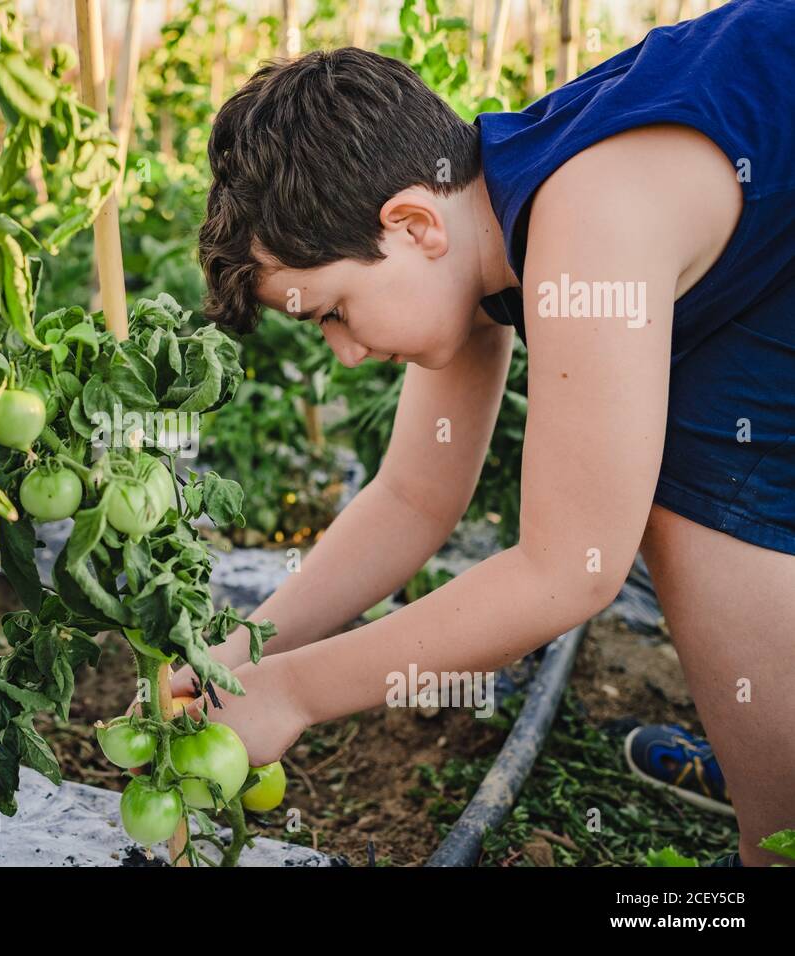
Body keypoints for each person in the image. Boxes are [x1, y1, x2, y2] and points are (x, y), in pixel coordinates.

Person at [172, 1, 794, 866]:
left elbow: (567, 573)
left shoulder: (589, 222)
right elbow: (412, 497)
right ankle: (773, 783)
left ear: (411, 224)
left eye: (335, 313)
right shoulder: (476, 231)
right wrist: (240, 652)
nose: (346, 355)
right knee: (702, 479)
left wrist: (297, 695)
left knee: (694, 500)